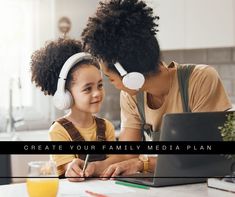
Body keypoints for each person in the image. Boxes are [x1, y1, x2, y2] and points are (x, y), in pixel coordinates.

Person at [81, 0, 232, 178]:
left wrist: (143, 164)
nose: (111, 82)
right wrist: (93, 167)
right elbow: (127, 154)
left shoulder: (201, 79)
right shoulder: (131, 96)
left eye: (110, 77)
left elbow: (204, 154)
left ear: (129, 74)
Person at [30, 38, 120, 181]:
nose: (97, 93)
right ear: (66, 95)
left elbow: (115, 161)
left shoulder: (106, 127)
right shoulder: (59, 130)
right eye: (87, 89)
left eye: (100, 85)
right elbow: (65, 167)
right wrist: (70, 168)